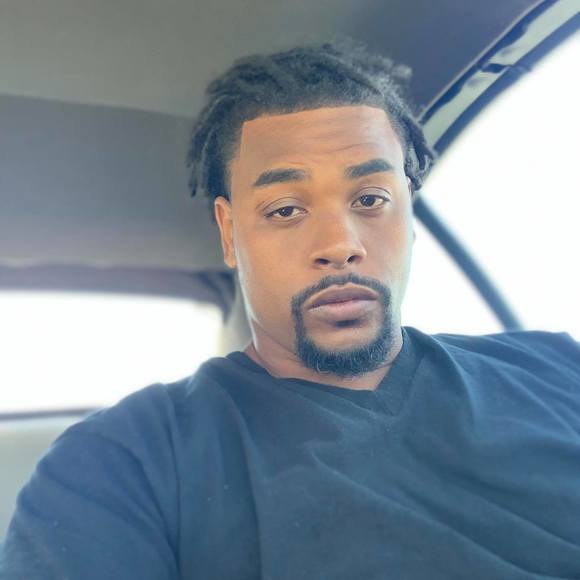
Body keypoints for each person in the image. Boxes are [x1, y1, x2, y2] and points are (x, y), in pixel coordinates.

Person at [1, 41, 579, 580]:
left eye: (370, 199)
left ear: (408, 212)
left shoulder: (555, 368)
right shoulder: (123, 463)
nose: (340, 244)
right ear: (229, 233)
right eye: (284, 210)